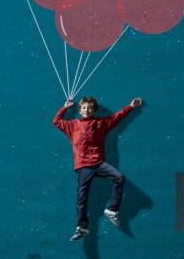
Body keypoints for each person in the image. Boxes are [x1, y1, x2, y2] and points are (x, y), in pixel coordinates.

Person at [53, 96, 143, 241]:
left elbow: (117, 117)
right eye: (84, 108)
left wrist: (131, 106)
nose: (86, 110)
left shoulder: (101, 123)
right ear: (80, 110)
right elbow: (56, 121)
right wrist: (65, 108)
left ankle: (112, 210)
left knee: (119, 178)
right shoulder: (72, 125)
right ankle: (81, 227)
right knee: (82, 197)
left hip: (99, 163)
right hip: (83, 165)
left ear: (94, 110)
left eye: (89, 108)